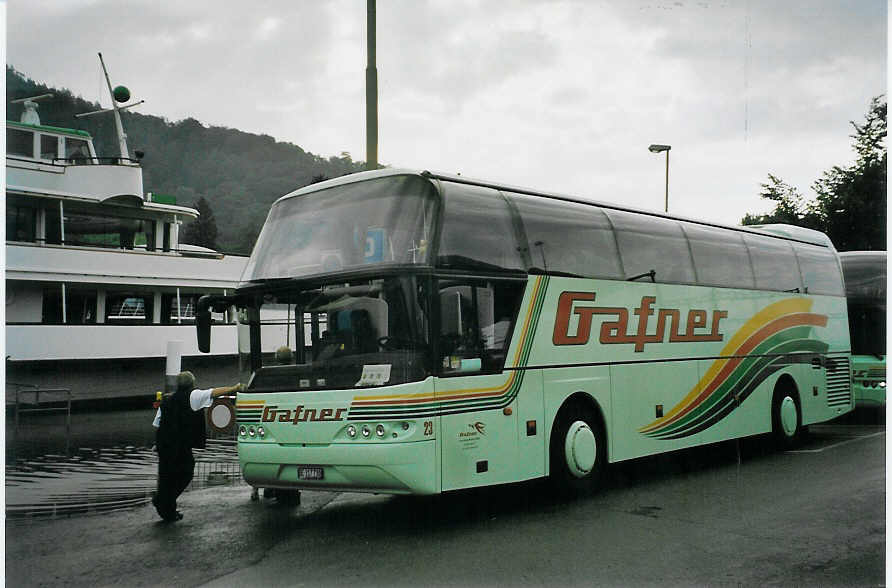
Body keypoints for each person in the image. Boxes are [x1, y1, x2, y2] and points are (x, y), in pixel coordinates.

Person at [151, 371, 242, 522]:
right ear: (192, 384)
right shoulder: (193, 395)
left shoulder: (167, 400)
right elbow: (214, 392)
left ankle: (168, 509)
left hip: (164, 443)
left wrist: (157, 443)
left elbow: (158, 423)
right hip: (179, 444)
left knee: (167, 476)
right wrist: (234, 387)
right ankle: (164, 501)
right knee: (186, 473)